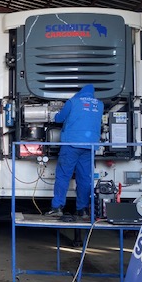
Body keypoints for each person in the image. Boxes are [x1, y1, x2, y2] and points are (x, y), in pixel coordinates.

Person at [46, 84, 103, 221]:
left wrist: (56, 114)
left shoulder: (73, 102)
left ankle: (57, 207)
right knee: (85, 178)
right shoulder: (100, 105)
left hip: (71, 144)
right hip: (90, 146)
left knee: (63, 175)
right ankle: (82, 210)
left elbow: (59, 118)